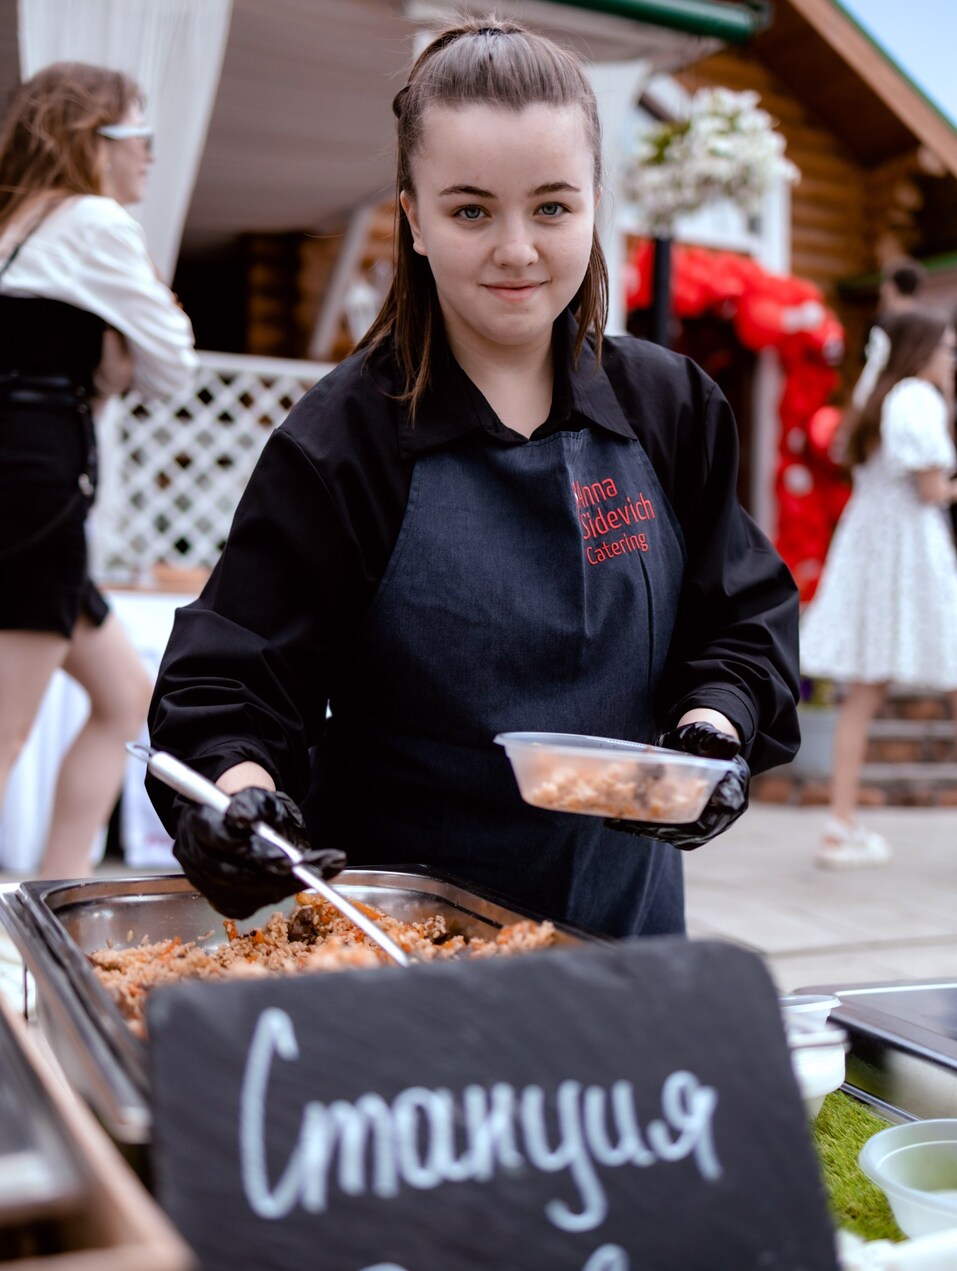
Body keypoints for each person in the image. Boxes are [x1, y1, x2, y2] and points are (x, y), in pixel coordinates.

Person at [147, 18, 799, 936]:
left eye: (551, 207)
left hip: (625, 934)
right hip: (399, 947)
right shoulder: (343, 437)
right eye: (469, 210)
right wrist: (237, 799)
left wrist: (712, 731)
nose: (516, 250)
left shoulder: (668, 405)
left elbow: (740, 622)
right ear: (412, 218)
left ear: (594, 202)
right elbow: (230, 690)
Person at [0, 63, 197, 879]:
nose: (150, 153)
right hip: (36, 487)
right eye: (138, 135)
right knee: (7, 728)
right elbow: (171, 366)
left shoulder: (16, 222)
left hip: (23, 483)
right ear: (93, 142)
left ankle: (54, 889)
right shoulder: (94, 221)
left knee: (124, 699)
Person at [802, 308, 957, 869]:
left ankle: (839, 826)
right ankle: (842, 828)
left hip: (872, 555)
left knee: (863, 695)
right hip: (910, 557)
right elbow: (932, 488)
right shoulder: (917, 398)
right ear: (923, 352)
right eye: (947, 349)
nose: (951, 359)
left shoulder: (878, 397)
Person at [850, 257, 925, 412]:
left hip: (884, 401)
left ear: (890, 287)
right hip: (916, 400)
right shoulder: (927, 327)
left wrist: (858, 406)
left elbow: (873, 369)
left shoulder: (883, 324)